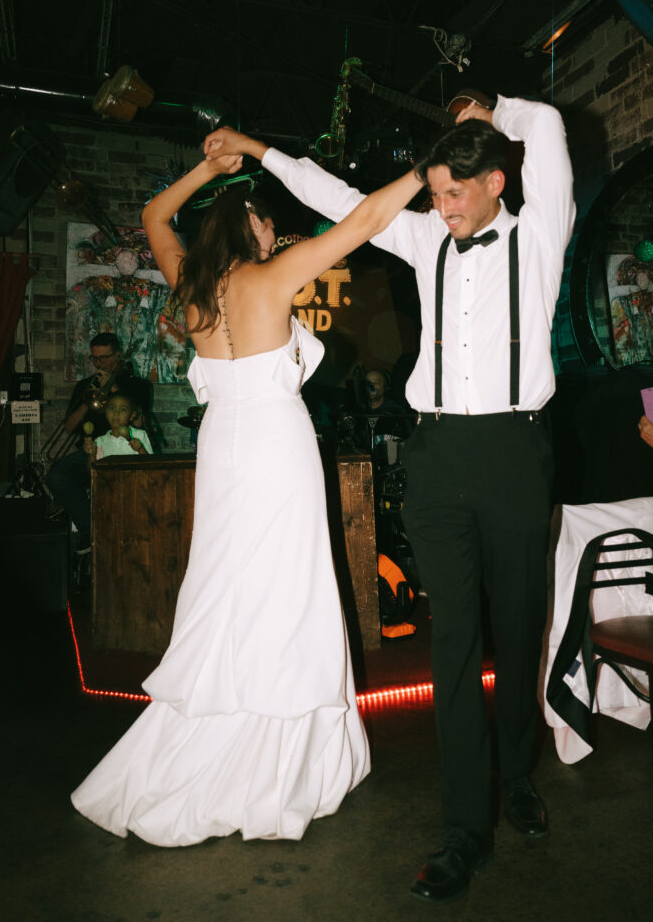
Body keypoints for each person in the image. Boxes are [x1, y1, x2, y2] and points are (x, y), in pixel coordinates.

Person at [205, 93, 575, 898]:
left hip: (514, 450)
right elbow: (337, 198)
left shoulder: (541, 234)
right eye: (434, 192)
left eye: (453, 193)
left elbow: (544, 126)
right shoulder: (421, 237)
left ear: (497, 184)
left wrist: (494, 107)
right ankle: (461, 832)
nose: (438, 208)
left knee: (517, 632)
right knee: (451, 649)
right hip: (438, 454)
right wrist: (262, 151)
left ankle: (517, 778)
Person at [70, 136, 424, 846]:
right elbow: (360, 224)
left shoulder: (191, 285)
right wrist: (426, 169)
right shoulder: (272, 276)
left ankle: (222, 731)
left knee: (227, 586)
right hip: (275, 445)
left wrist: (204, 168)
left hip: (223, 446)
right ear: (252, 225)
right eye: (267, 222)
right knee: (287, 590)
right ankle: (279, 759)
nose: (274, 232)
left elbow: (152, 215)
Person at [45, 332, 153, 550]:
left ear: (117, 356)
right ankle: (91, 529)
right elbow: (68, 427)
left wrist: (112, 389)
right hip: (93, 453)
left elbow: (140, 424)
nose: (98, 363)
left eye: (104, 358)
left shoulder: (138, 386)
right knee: (56, 476)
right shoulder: (86, 385)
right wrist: (88, 400)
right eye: (94, 358)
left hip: (127, 453)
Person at [83, 392, 153, 460]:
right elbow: (91, 470)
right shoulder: (99, 442)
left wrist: (140, 449)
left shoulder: (140, 435)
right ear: (106, 412)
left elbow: (151, 465)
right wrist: (92, 454)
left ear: (132, 415)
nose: (116, 413)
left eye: (123, 410)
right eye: (112, 408)